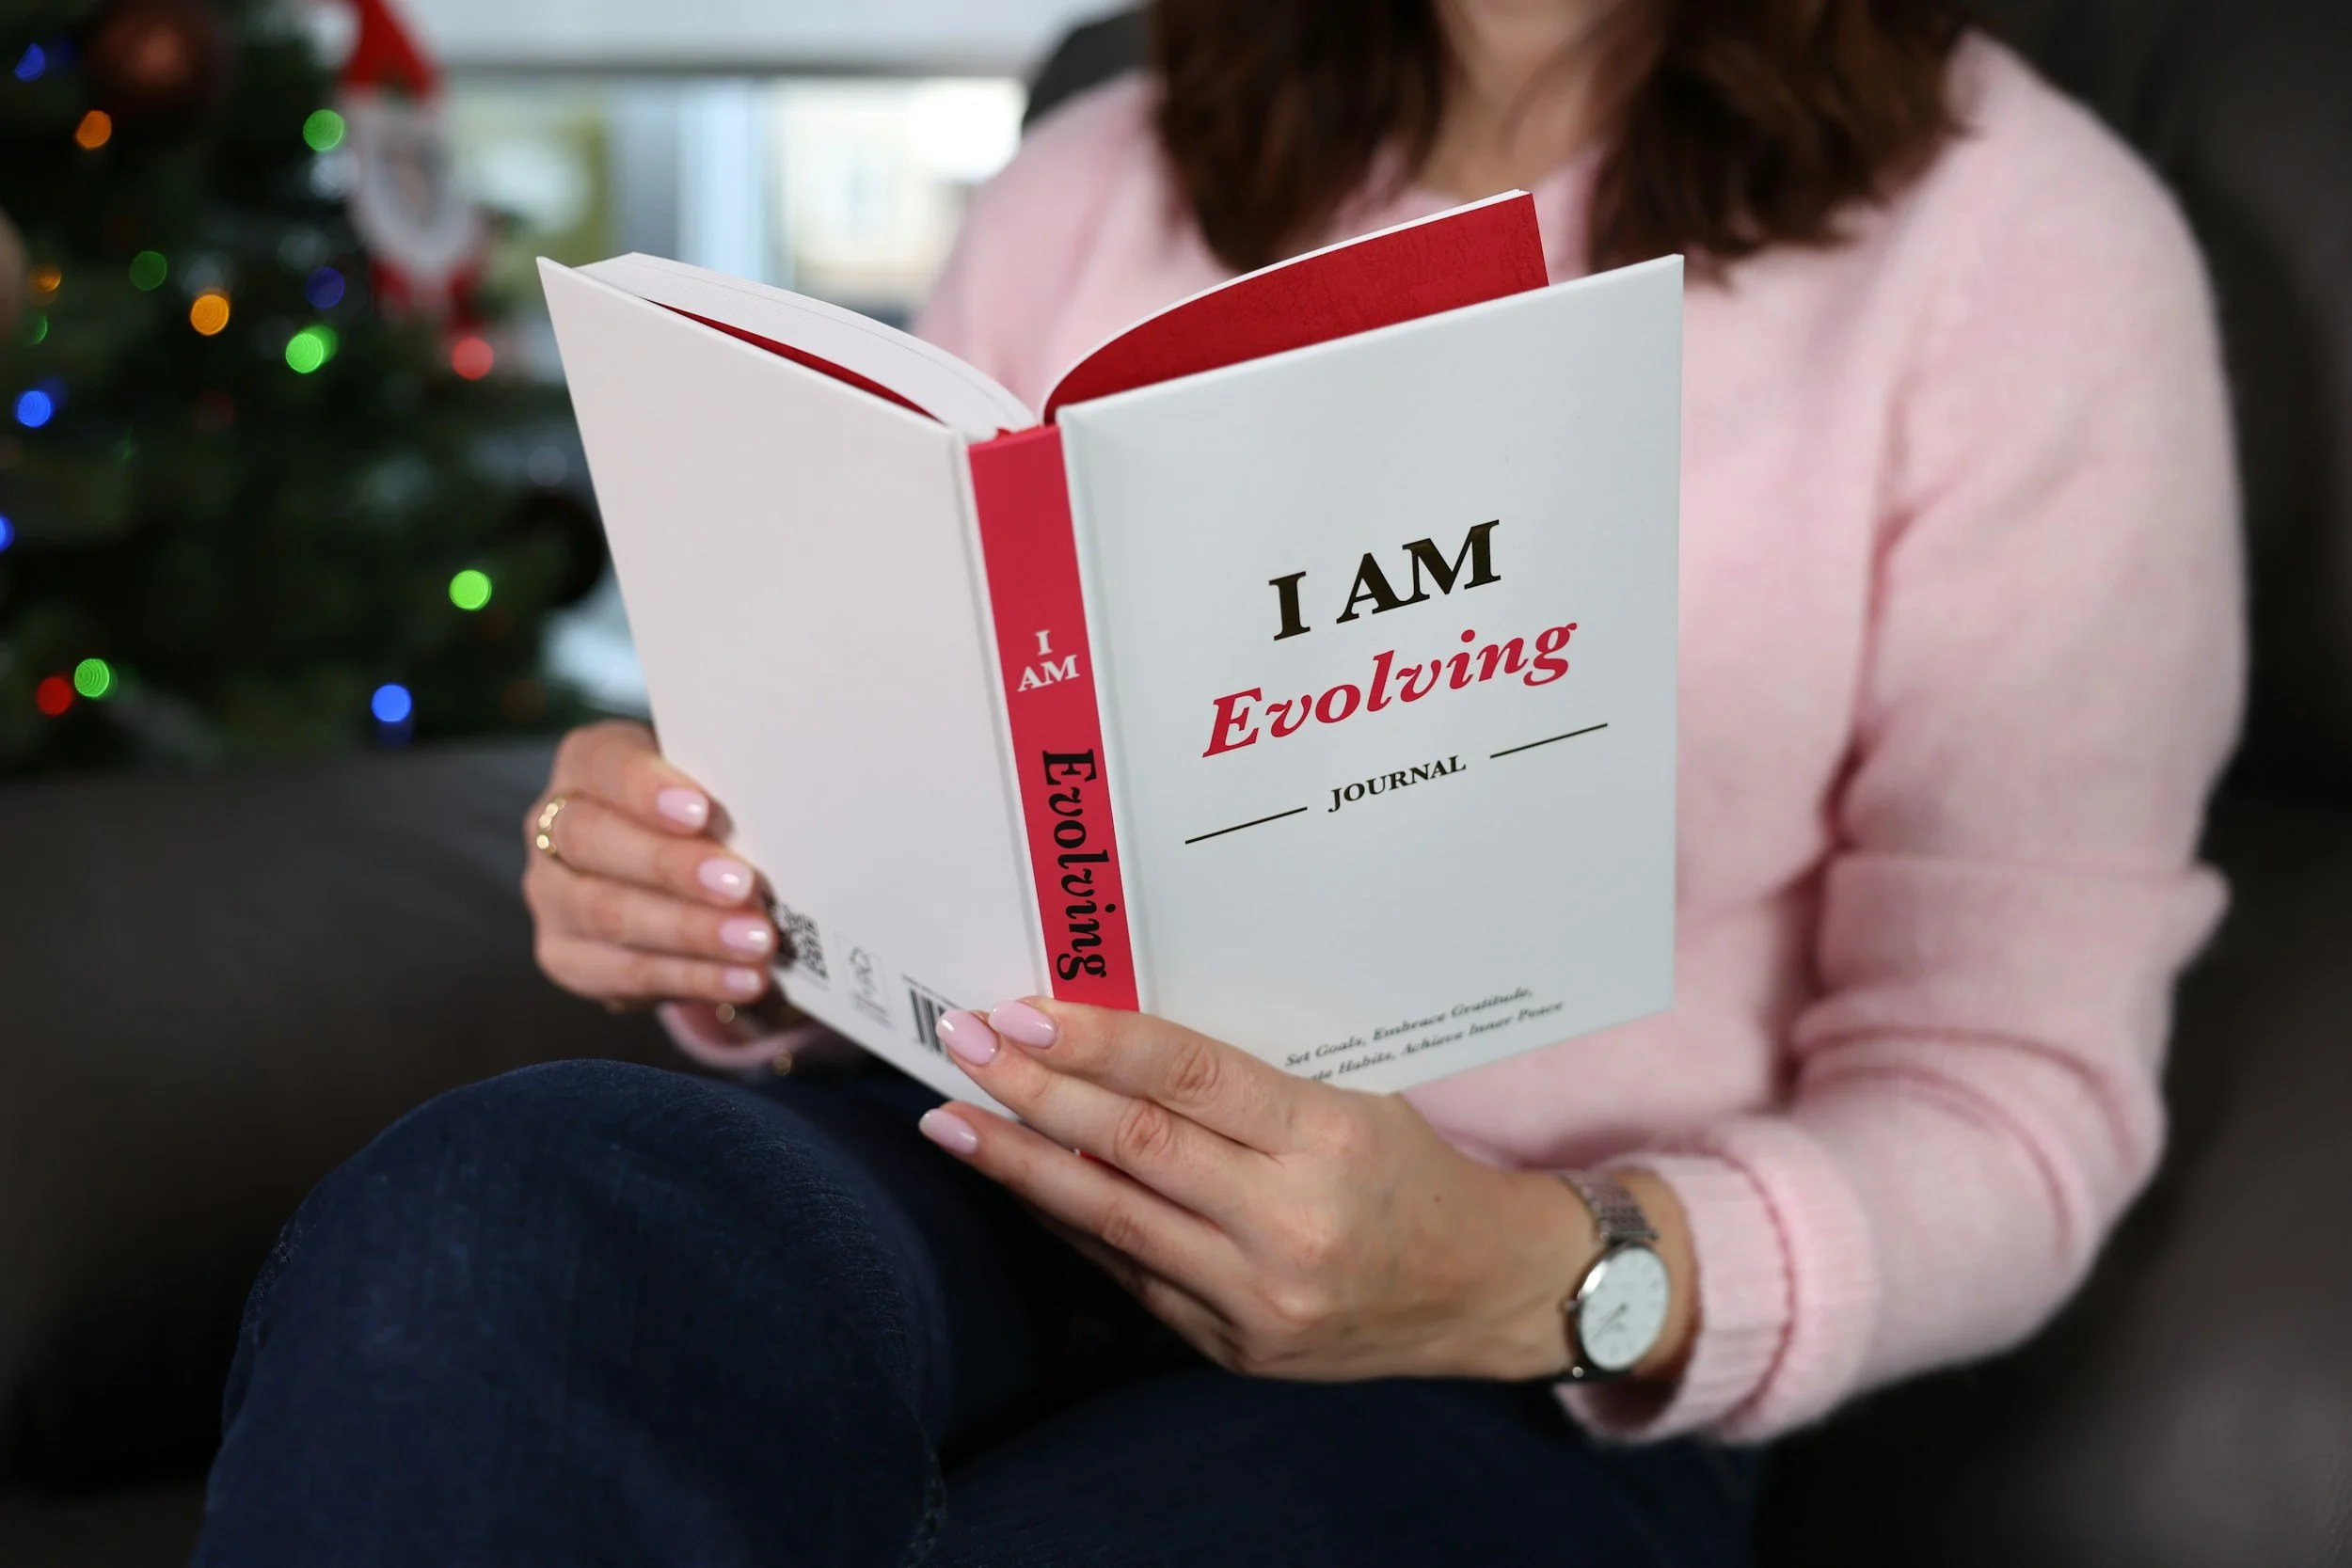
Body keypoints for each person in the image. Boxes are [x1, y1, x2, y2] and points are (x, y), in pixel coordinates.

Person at [194, 0, 2242, 1562]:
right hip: (968, 1156)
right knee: (489, 1216)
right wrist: (726, 895)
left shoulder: (2023, 250)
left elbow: (2013, 1090)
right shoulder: (1102, 169)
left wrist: (1550, 1266)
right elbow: (941, 774)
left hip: (1484, 1332)